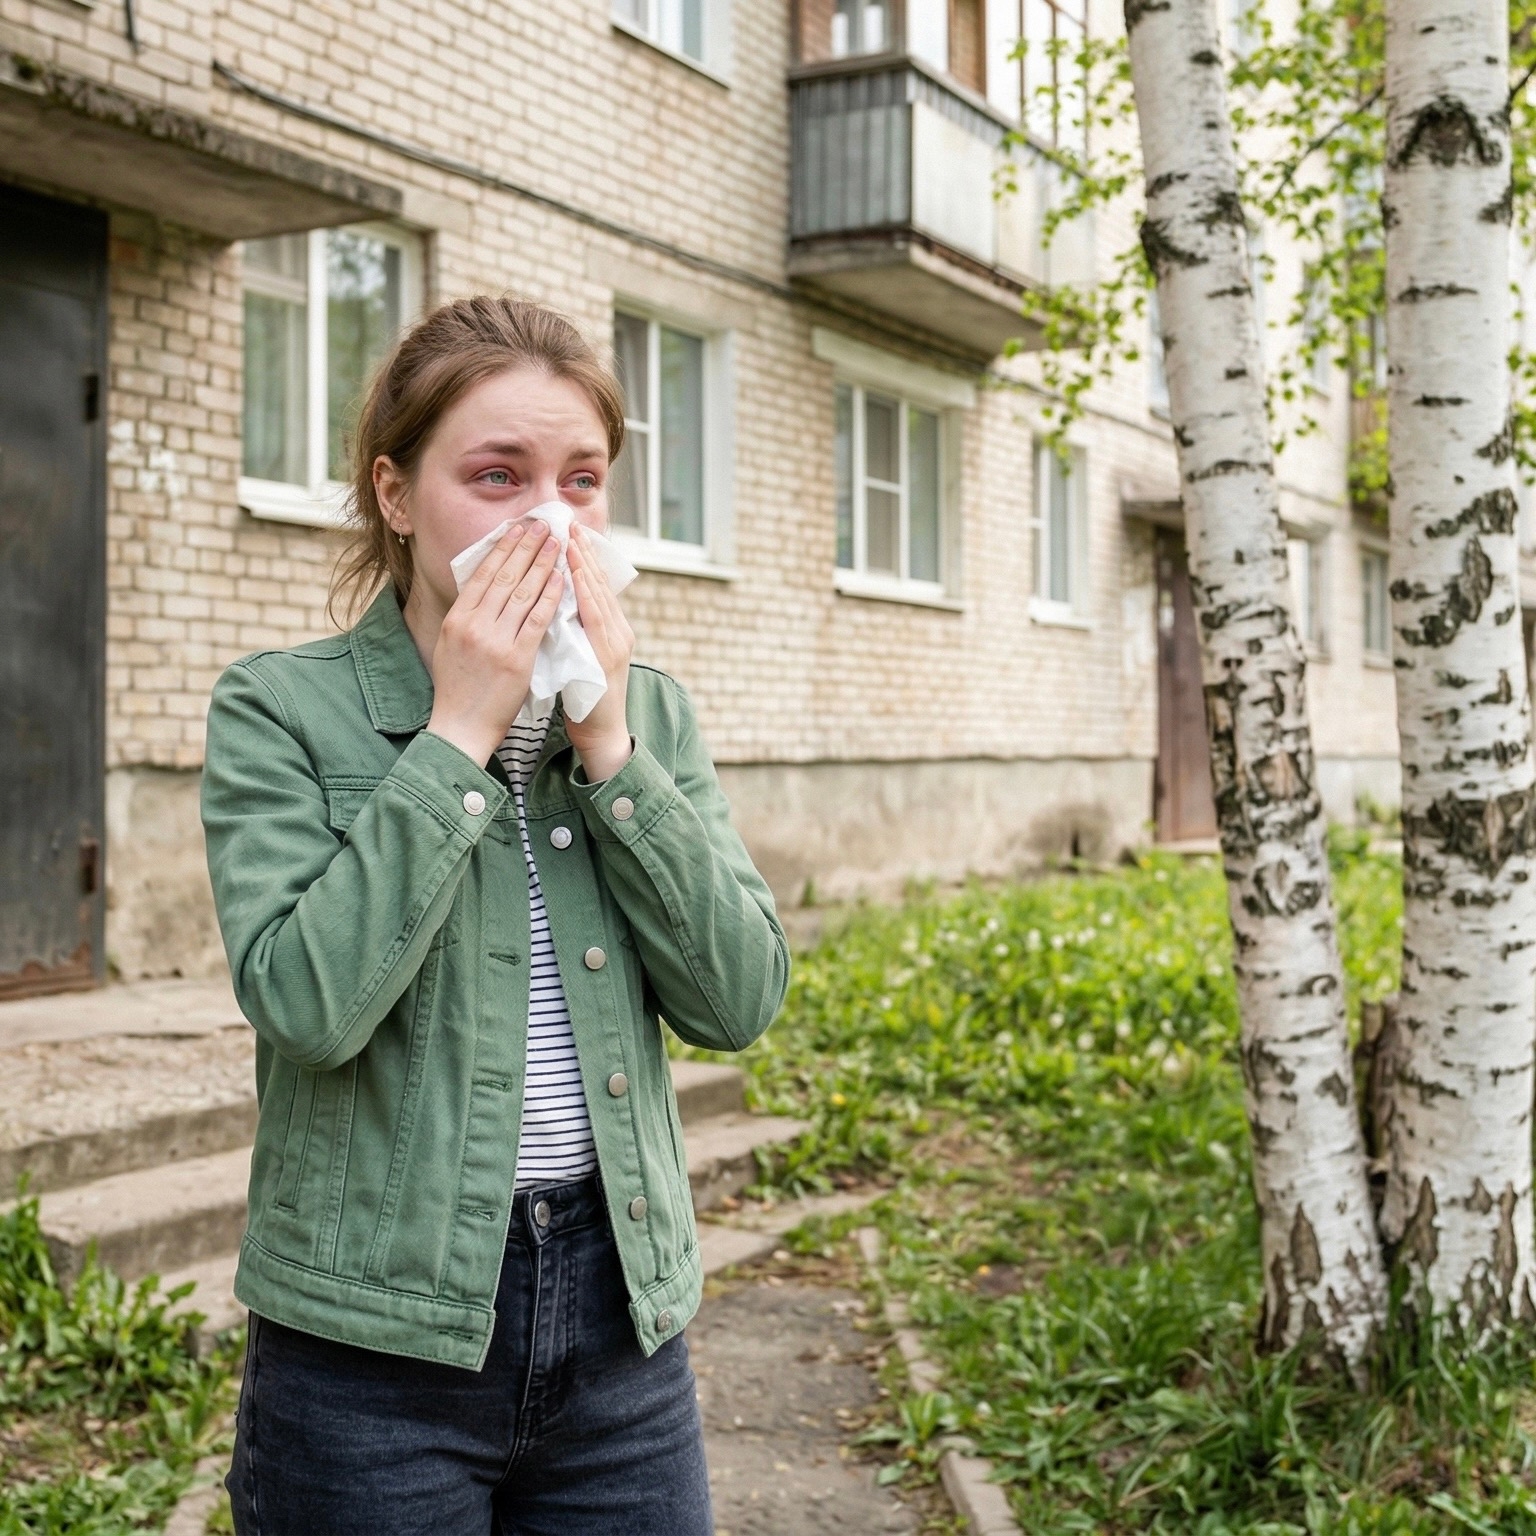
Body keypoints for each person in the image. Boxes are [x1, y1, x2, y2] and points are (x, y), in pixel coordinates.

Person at [201, 294, 789, 1535]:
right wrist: (461, 728)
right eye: (496, 475)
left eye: (583, 481)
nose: (550, 522)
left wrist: (611, 745)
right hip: (369, 1351)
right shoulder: (277, 710)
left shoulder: (650, 717)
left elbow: (739, 1003)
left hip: (620, 1325)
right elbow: (308, 1007)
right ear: (398, 495)